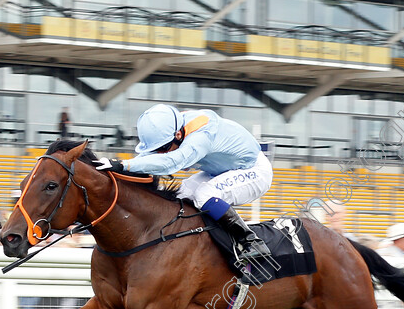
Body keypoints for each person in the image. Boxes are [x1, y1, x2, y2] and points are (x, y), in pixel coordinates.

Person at [96, 104, 272, 260]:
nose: (161, 154)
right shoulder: (173, 128)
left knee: (204, 195)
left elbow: (172, 162)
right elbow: (151, 159)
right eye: (156, 150)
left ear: (179, 134)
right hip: (220, 170)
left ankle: (251, 241)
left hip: (254, 171)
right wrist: (116, 166)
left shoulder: (201, 135)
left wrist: (123, 165)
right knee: (181, 195)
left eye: (163, 149)